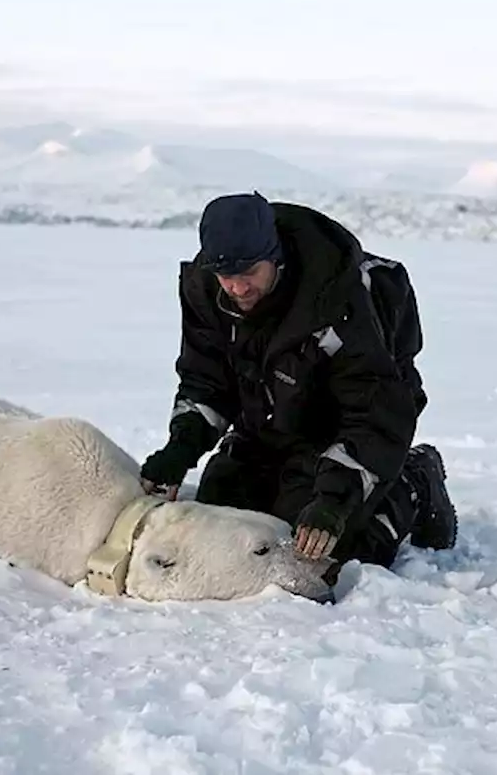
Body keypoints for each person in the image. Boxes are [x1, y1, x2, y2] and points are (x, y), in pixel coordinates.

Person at [139, 191, 456, 574]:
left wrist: (334, 500)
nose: (237, 288)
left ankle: (414, 481)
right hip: (266, 427)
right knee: (221, 524)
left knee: (324, 554)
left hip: (344, 434)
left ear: (276, 258)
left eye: (249, 273)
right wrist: (181, 448)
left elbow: (374, 414)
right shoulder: (208, 295)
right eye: (227, 276)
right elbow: (206, 381)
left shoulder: (338, 300)